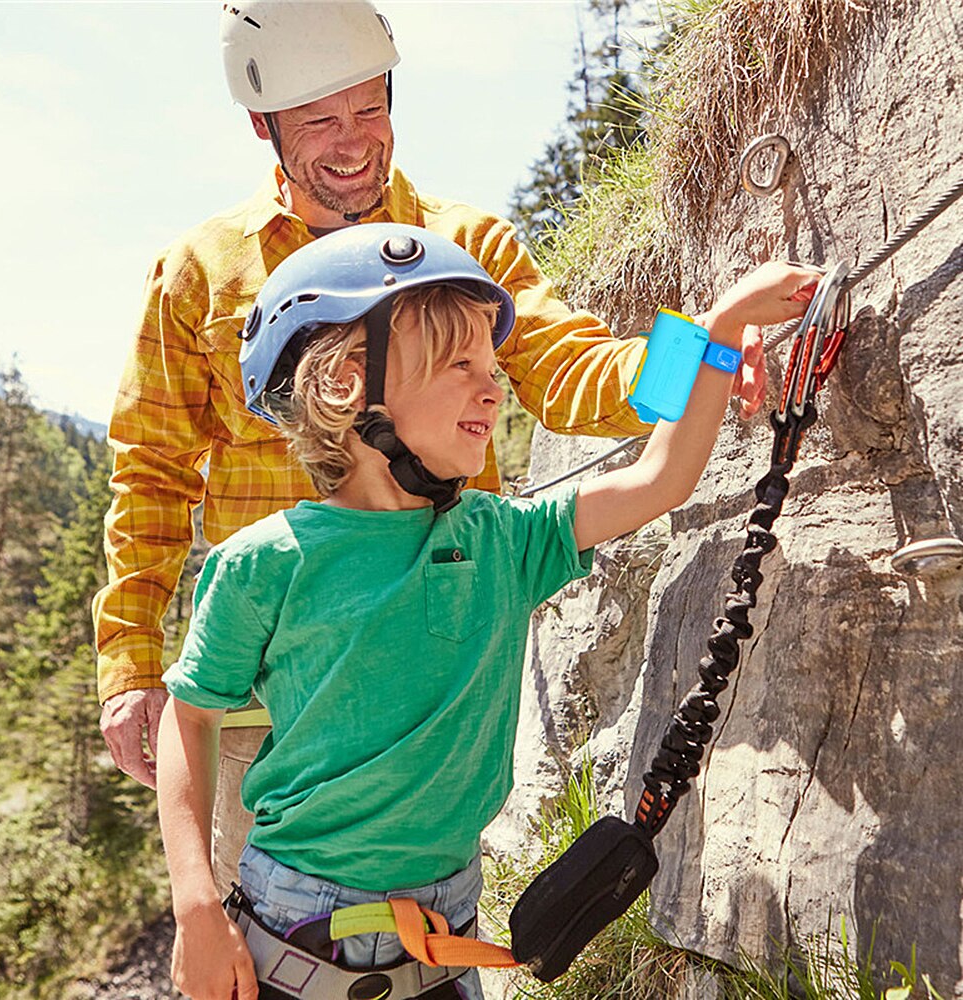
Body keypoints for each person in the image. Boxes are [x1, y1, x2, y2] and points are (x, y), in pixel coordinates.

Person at [94, 0, 768, 894]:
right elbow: (152, 470)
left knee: (428, 924)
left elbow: (570, 369)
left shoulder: (465, 246)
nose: (353, 141)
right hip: (271, 699)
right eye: (320, 120)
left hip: (436, 673)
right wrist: (131, 662)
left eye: (369, 107)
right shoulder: (199, 274)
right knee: (271, 940)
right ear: (262, 124)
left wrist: (700, 362)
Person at [155, 223, 817, 1000]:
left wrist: (718, 330)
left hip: (446, 937)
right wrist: (196, 904)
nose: (492, 387)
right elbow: (190, 714)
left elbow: (659, 478)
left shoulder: (504, 536)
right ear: (343, 383)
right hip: (296, 935)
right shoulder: (265, 562)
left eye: (493, 366)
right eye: (461, 363)